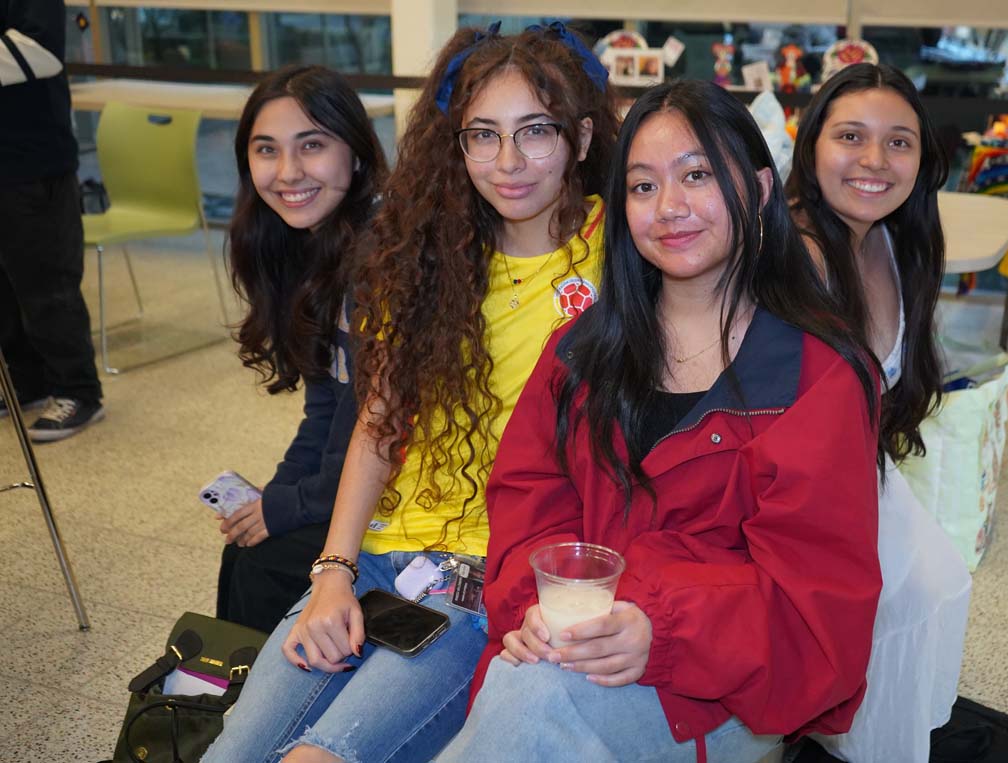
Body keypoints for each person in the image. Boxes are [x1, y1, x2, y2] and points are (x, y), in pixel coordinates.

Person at [202, 22, 617, 763]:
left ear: (582, 139)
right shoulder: (426, 257)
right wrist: (334, 572)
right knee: (233, 752)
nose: (508, 161)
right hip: (379, 557)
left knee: (316, 758)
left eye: (536, 132)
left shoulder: (621, 248)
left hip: (486, 585)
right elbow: (377, 421)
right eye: (483, 135)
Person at [437, 79, 882, 762]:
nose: (668, 208)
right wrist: (534, 605)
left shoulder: (815, 378)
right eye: (642, 187)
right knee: (527, 693)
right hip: (574, 649)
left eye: (697, 175)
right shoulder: (583, 352)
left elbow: (814, 610)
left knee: (531, 706)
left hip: (724, 687)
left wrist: (662, 628)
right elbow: (529, 503)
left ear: (761, 190)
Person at [785, 62, 973, 763]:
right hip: (794, 495)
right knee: (917, 586)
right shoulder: (798, 252)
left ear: (923, 157)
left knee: (937, 579)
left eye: (899, 142)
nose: (874, 160)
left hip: (859, 471)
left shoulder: (896, 242)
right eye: (851, 136)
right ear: (811, 148)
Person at [215, 65, 387, 634]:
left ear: (356, 154)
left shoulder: (387, 260)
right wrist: (276, 498)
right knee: (246, 548)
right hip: (356, 477)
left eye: (311, 145)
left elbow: (381, 436)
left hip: (406, 492)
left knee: (264, 562)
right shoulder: (311, 246)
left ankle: (260, 711)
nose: (288, 172)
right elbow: (325, 410)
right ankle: (227, 700)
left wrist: (288, 509)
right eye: (267, 150)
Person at [0, 0, 104, 441]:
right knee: (4, 288)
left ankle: (78, 390)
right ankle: (28, 383)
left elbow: (36, 54)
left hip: (33, 163)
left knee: (48, 287)